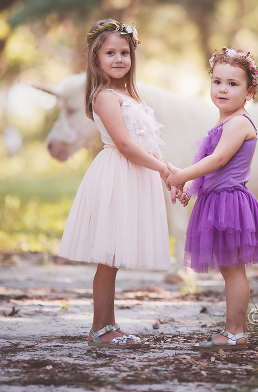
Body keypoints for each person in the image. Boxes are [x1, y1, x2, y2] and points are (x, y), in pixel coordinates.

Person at [58, 19, 171, 349]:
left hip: (133, 173)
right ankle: (100, 328)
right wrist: (163, 170)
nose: (119, 58)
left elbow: (147, 142)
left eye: (125, 52)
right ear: (96, 58)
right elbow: (124, 144)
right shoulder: (105, 96)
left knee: (114, 257)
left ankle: (108, 324)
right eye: (111, 52)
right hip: (116, 175)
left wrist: (169, 169)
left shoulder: (128, 94)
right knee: (107, 257)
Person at [166, 47, 258, 351]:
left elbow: (217, 161)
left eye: (233, 84)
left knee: (233, 270)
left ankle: (237, 332)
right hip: (216, 201)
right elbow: (210, 170)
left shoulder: (240, 123)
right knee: (228, 269)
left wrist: (181, 175)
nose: (223, 89)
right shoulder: (221, 123)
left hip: (231, 203)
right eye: (217, 82)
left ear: (249, 91)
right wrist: (190, 188)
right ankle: (232, 329)